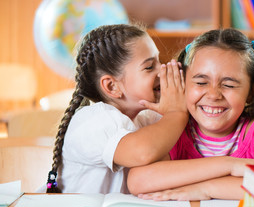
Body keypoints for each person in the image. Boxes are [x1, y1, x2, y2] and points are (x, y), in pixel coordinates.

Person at [127, 28, 254, 200]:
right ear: (183, 83)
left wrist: (207, 189)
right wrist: (230, 166)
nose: (214, 95)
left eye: (229, 85)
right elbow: (138, 181)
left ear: (251, 91)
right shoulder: (175, 131)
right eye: (200, 82)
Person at [45, 24, 188, 193]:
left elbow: (162, 171)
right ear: (112, 86)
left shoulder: (146, 117)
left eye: (160, 61)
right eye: (149, 67)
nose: (162, 70)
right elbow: (143, 152)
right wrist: (176, 113)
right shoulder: (93, 121)